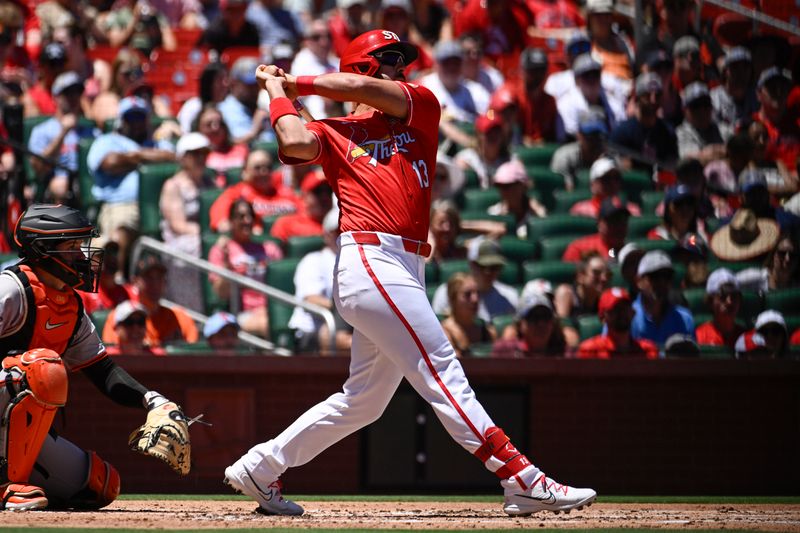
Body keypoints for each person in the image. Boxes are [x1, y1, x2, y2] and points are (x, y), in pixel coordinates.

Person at [224, 29, 596, 516]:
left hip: (406, 265)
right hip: (370, 259)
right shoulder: (336, 130)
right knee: (443, 370)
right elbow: (293, 143)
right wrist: (276, 93)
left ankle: (262, 466)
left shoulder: (420, 108)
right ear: (363, 65)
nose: (403, 68)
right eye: (391, 60)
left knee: (364, 401)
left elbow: (367, 92)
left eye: (401, 61)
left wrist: (299, 83)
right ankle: (520, 477)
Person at [0, 204, 188, 510]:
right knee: (42, 368)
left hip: (12, 424)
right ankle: (7, 486)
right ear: (43, 250)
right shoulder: (10, 288)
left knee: (100, 485)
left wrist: (154, 401)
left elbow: (103, 370)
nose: (82, 256)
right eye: (72, 247)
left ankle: (15, 477)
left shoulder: (70, 305)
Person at [87, 96, 177, 279]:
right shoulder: (107, 140)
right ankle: (117, 280)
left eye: (140, 118)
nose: (136, 123)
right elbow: (110, 163)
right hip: (122, 204)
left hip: (162, 205)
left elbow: (173, 157)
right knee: (121, 230)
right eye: (131, 118)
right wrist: (142, 156)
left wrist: (134, 157)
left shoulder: (157, 143)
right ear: (122, 121)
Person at [159, 133, 219, 310]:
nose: (201, 159)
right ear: (183, 158)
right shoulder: (173, 185)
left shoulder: (210, 182)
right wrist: (208, 232)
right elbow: (178, 225)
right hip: (180, 243)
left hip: (205, 237)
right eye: (195, 154)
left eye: (204, 154)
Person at [208, 199, 285, 337]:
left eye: (250, 216)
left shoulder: (269, 249)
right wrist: (227, 266)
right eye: (241, 216)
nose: (247, 220)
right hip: (242, 313)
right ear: (231, 221)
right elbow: (221, 294)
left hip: (271, 309)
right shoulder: (222, 250)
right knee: (270, 323)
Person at [287, 208, 353, 354]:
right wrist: (345, 308)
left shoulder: (353, 261)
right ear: (327, 235)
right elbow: (310, 299)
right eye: (338, 232)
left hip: (345, 323)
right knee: (340, 338)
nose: (342, 237)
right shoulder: (313, 260)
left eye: (345, 231)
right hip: (312, 328)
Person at [28, 71, 100, 203]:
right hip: (55, 184)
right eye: (67, 93)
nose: (73, 97)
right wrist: (63, 133)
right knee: (60, 186)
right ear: (56, 97)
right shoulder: (42, 130)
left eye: (77, 92)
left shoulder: (91, 130)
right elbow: (38, 168)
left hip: (88, 181)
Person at [101, 256, 199, 347]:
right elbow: (112, 354)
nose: (155, 284)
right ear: (135, 281)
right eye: (149, 278)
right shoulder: (121, 317)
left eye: (159, 278)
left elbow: (193, 356)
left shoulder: (180, 318)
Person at [209, 148, 300, 233]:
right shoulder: (235, 194)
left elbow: (306, 217)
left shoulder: (285, 192)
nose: (264, 172)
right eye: (257, 168)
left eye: (268, 167)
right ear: (245, 172)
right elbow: (221, 221)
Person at [433, 239, 519, 321]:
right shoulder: (447, 293)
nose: (488, 272)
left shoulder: (510, 297)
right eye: (482, 266)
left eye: (494, 267)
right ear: (472, 264)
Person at [609, 72, 678, 170]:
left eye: (657, 95)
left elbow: (672, 166)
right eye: (647, 95)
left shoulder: (667, 132)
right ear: (637, 98)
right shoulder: (622, 133)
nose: (653, 100)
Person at [631, 250, 695, 346]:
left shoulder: (684, 319)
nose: (662, 282)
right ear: (639, 281)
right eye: (655, 276)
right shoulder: (628, 317)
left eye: (667, 276)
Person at [576, 288, 659, 359]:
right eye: (615, 309)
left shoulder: (648, 351)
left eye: (625, 308)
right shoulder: (590, 351)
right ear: (602, 317)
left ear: (633, 313)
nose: (622, 313)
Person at [556, 53, 622, 138]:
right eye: (586, 76)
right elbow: (571, 136)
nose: (592, 80)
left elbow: (618, 130)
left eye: (595, 74)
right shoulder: (566, 104)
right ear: (577, 80)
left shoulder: (612, 102)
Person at [491, 293, 567, 358]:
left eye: (546, 317)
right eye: (533, 317)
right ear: (520, 324)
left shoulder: (563, 354)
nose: (541, 324)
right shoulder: (505, 351)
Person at [550, 107, 608, 191]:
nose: (595, 142)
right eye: (590, 136)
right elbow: (566, 195)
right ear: (579, 135)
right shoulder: (565, 157)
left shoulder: (609, 158)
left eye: (598, 136)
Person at [440, 272, 496, 357]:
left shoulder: (488, 332)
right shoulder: (444, 333)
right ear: (453, 299)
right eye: (467, 294)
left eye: (478, 293)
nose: (475, 299)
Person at [487, 159, 546, 238]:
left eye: (509, 185)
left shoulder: (536, 214)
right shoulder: (493, 213)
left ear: (522, 186)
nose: (505, 191)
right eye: (500, 186)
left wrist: (540, 213)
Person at [269, 170, 334, 242]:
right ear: (304, 197)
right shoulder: (286, 224)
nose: (324, 197)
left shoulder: (341, 224)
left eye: (329, 191)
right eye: (317, 191)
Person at [710, 47, 757, 142]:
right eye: (735, 68)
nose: (741, 73)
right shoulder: (714, 97)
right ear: (726, 71)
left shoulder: (757, 96)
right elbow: (711, 129)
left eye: (745, 67)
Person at [562, 198, 630, 262]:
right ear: (599, 223)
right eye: (612, 221)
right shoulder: (580, 249)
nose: (618, 226)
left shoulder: (632, 253)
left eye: (623, 221)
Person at [570, 156, 641, 218]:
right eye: (606, 178)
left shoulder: (631, 210)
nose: (612, 183)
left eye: (616, 178)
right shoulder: (580, 211)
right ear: (592, 184)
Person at [695, 269, 745, 352]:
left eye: (734, 296)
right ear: (710, 301)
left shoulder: (746, 337)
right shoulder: (699, 336)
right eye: (723, 296)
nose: (729, 302)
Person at [676, 82, 725, 165]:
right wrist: (724, 151)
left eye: (705, 104)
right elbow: (691, 160)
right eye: (696, 106)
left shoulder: (720, 128)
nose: (702, 111)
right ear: (684, 111)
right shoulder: (682, 132)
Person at [735, 231, 799, 293]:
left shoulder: (796, 289)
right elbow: (727, 283)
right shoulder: (754, 277)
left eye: (793, 255)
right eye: (782, 253)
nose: (787, 259)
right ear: (773, 255)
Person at [554, 252, 610, 321]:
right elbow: (563, 326)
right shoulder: (566, 293)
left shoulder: (605, 300)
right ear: (581, 276)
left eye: (607, 274)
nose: (604, 278)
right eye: (596, 273)